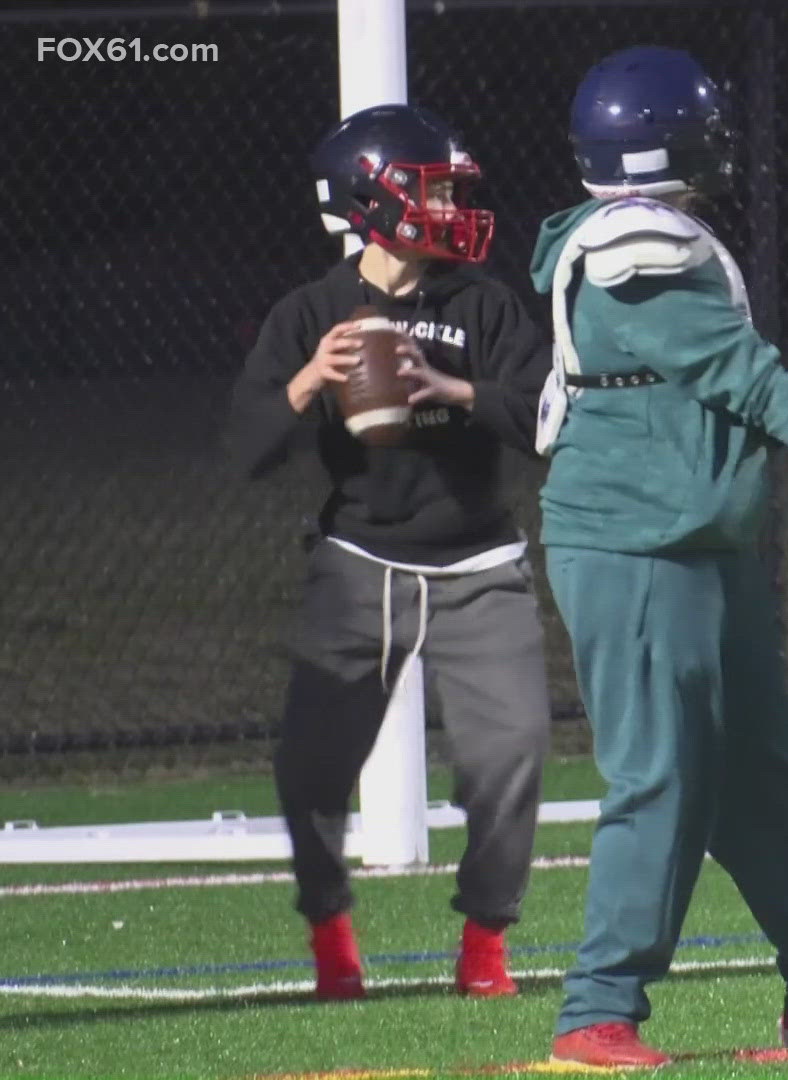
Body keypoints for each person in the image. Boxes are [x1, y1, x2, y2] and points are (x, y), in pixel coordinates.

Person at [531, 47, 788, 1069]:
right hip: (635, 545)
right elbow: (744, 376)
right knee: (660, 776)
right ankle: (598, 1010)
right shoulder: (635, 250)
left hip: (702, 544)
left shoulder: (645, 233)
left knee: (765, 780)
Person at [226, 103, 553, 1001]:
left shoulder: (483, 304)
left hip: (478, 563)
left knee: (513, 750)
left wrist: (452, 388)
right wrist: (310, 380)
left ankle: (485, 943)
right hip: (359, 562)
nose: (449, 207)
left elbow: (544, 419)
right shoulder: (313, 312)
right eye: (430, 190)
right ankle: (331, 931)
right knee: (312, 764)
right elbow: (245, 449)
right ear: (370, 198)